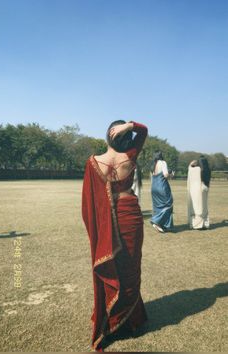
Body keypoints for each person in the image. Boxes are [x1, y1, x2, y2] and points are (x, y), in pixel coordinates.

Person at [82, 120, 148, 351]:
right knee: (131, 268)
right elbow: (144, 130)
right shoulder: (130, 156)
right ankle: (129, 320)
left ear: (107, 136)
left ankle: (112, 320)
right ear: (126, 138)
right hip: (130, 216)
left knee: (115, 268)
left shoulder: (93, 163)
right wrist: (130, 125)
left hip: (107, 222)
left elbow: (87, 205)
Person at [150, 151, 174, 233]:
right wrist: (171, 174)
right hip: (162, 187)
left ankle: (165, 225)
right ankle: (155, 221)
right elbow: (166, 175)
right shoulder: (163, 162)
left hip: (154, 188)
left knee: (158, 207)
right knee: (168, 204)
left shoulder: (154, 165)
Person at [187, 155, 211, 230]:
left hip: (198, 189)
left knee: (197, 206)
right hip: (205, 188)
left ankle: (198, 224)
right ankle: (205, 223)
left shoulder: (197, 169)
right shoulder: (208, 169)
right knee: (204, 206)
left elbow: (190, 169)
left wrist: (191, 164)